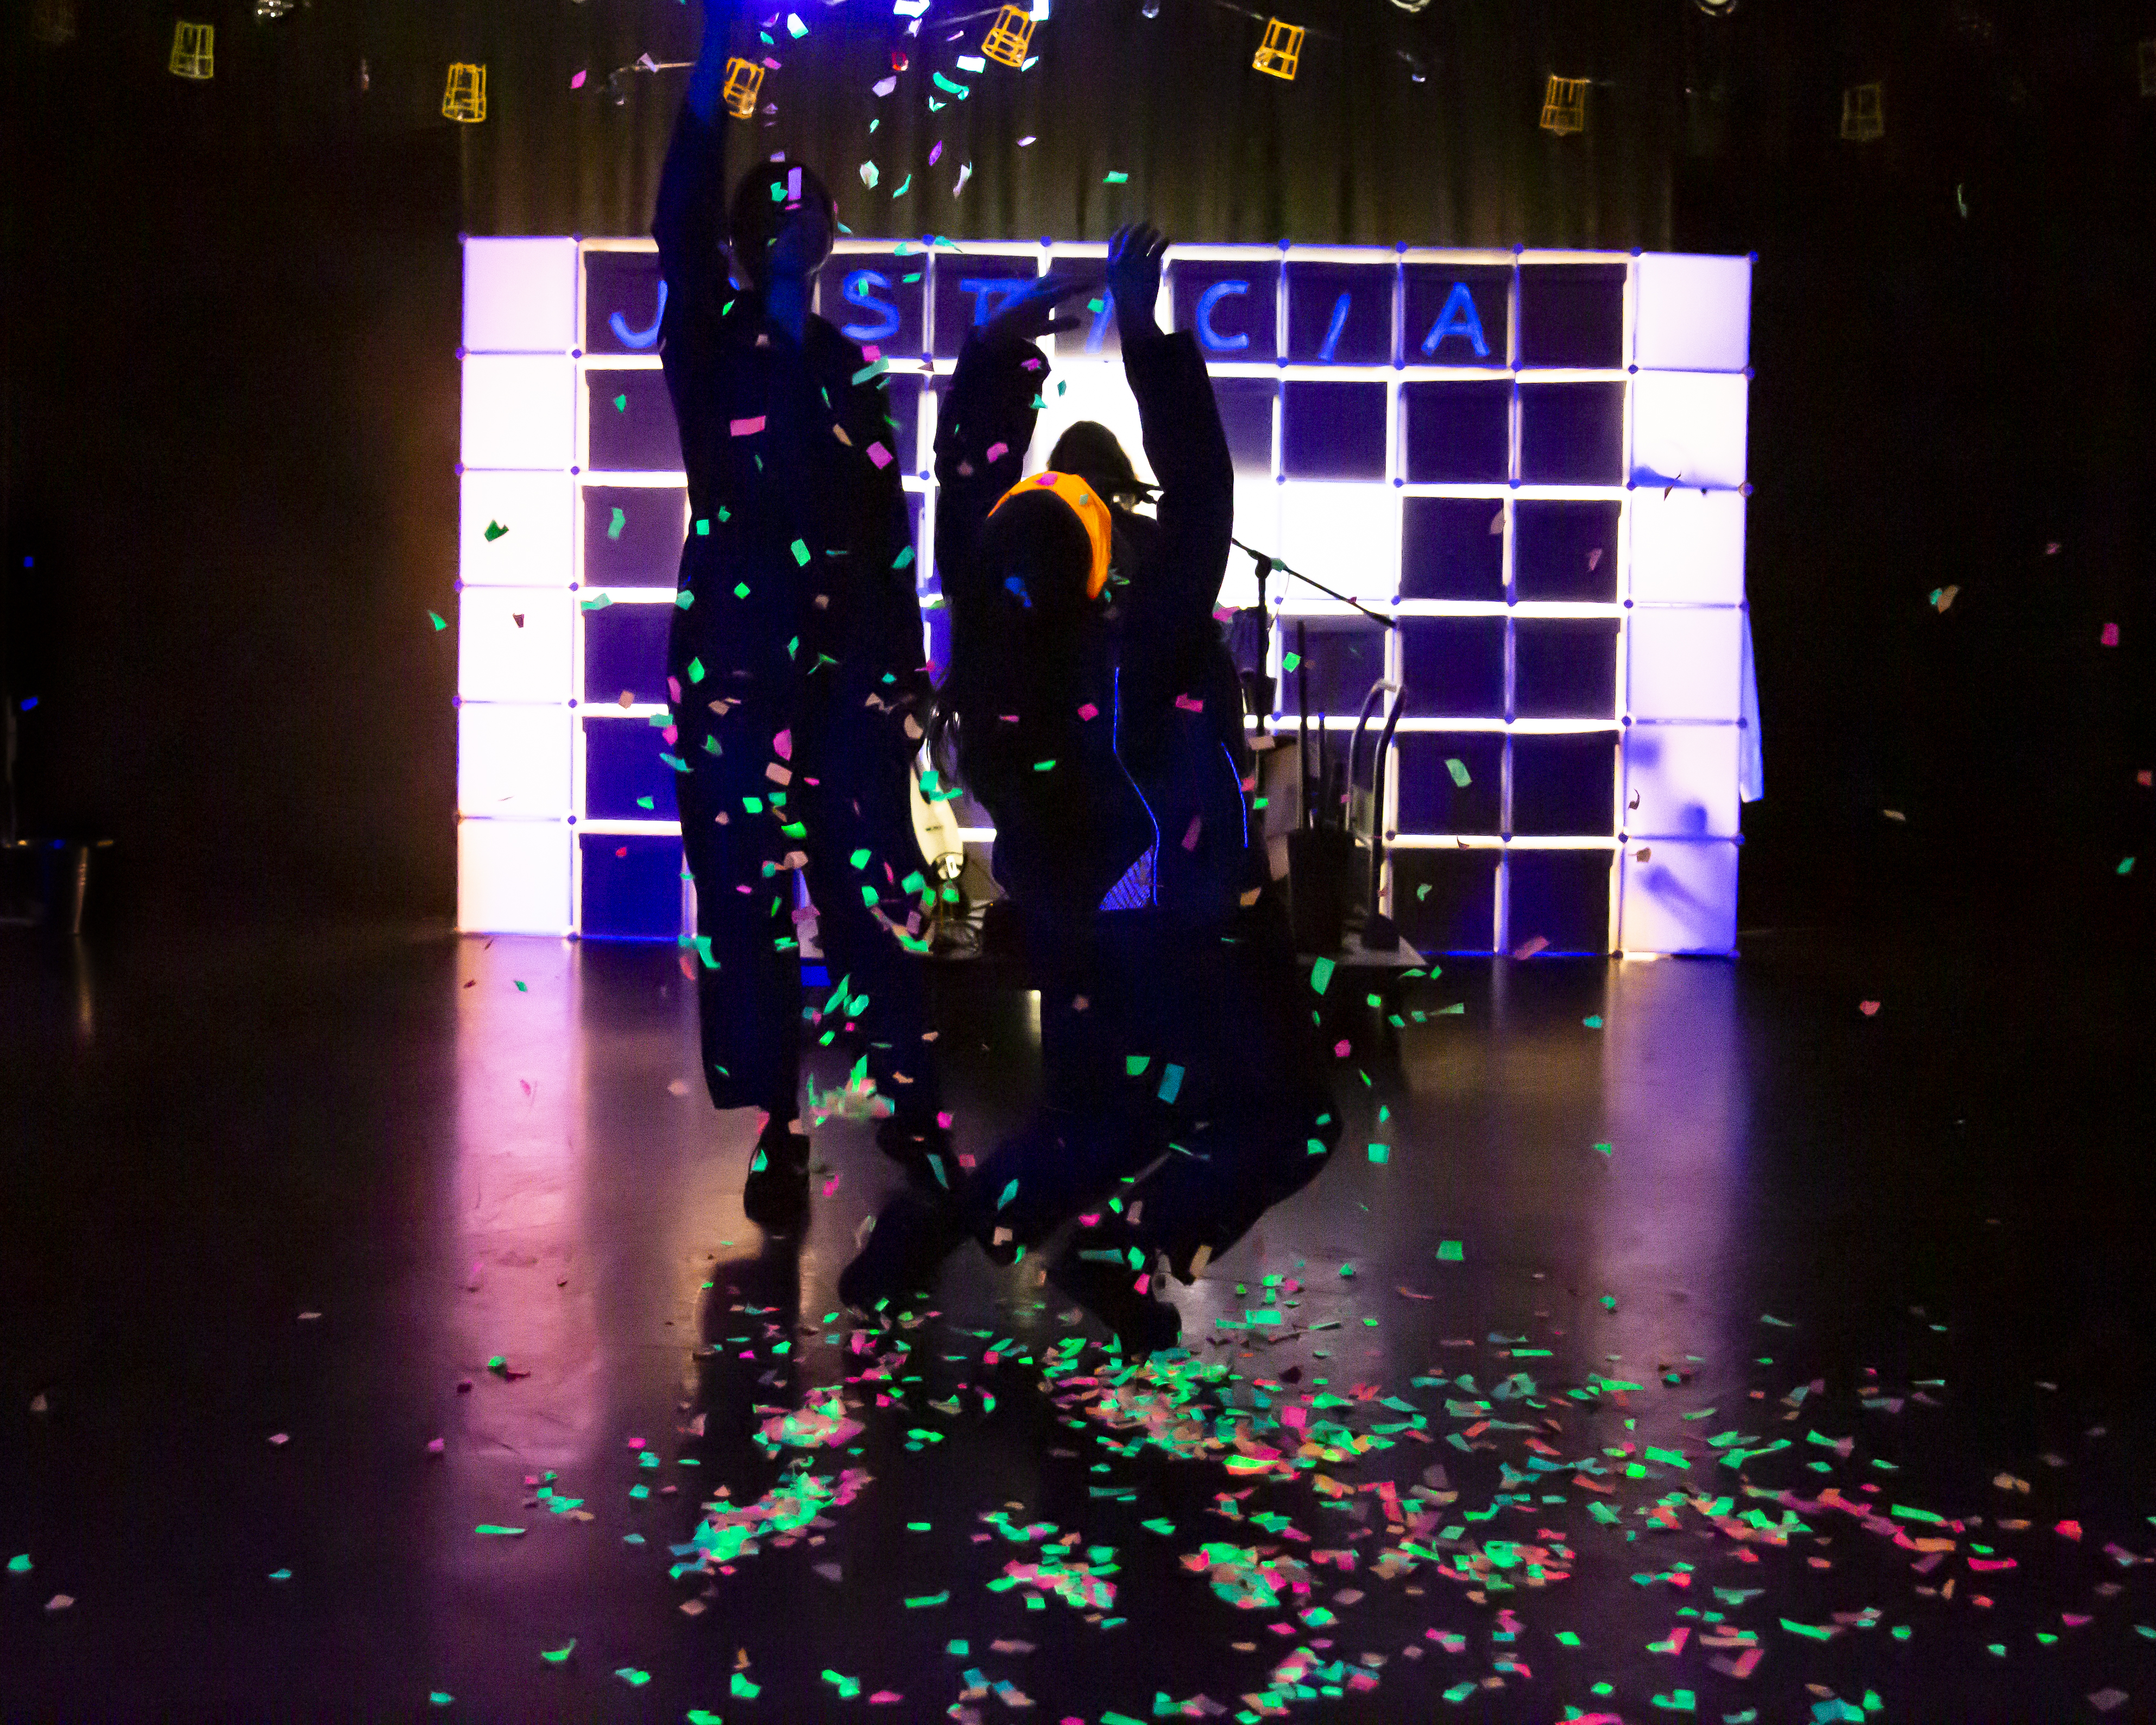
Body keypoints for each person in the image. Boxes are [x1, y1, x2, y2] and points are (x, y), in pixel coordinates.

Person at [840, 224, 1340, 1351]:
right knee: (1274, 1117)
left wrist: (994, 364)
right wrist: (1146, 334)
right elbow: (1203, 498)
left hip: (1087, 919)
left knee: (1098, 1125)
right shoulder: (1134, 649)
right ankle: (1115, 1243)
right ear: (1100, 548)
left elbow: (964, 516)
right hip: (1168, 914)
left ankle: (988, 1238)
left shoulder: (991, 654)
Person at [653, 0, 948, 1231]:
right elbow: (675, 209)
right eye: (775, 204)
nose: (799, 215)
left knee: (870, 883)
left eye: (814, 205)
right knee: (743, 897)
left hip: (843, 673)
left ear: (829, 237)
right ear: (743, 238)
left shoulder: (847, 371)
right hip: (732, 665)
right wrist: (721, 57)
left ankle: (915, 1110)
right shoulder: (708, 344)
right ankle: (779, 1126)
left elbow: (888, 537)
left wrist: (910, 674)